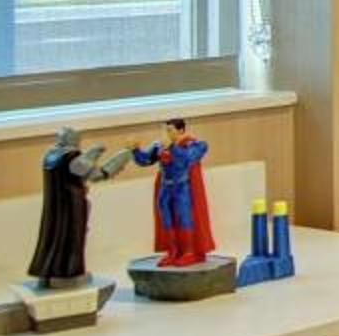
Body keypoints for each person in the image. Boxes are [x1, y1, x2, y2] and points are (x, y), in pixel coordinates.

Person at [26, 128, 120, 286]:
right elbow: (95, 175)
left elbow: (77, 171)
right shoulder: (71, 156)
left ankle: (47, 274)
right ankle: (67, 276)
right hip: (71, 206)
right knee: (72, 237)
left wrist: (92, 155)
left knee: (52, 237)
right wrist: (119, 159)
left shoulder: (50, 155)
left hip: (54, 207)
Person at [133, 118, 215, 267]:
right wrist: (135, 150)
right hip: (165, 188)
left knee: (184, 218)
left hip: (182, 187)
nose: (167, 133)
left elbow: (187, 159)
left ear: (181, 130)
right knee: (166, 219)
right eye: (165, 130)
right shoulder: (160, 146)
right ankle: (172, 251)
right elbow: (146, 160)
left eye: (170, 130)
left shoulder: (195, 145)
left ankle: (189, 252)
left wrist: (172, 147)